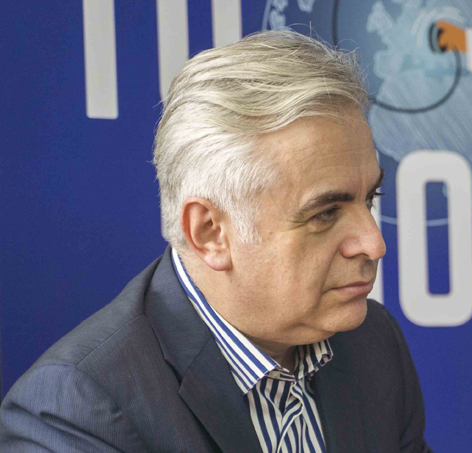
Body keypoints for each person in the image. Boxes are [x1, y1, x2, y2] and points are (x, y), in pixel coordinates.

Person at [0, 30, 430, 452]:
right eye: (325, 214)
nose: (374, 243)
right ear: (210, 233)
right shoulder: (76, 408)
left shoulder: (372, 340)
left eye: (369, 198)